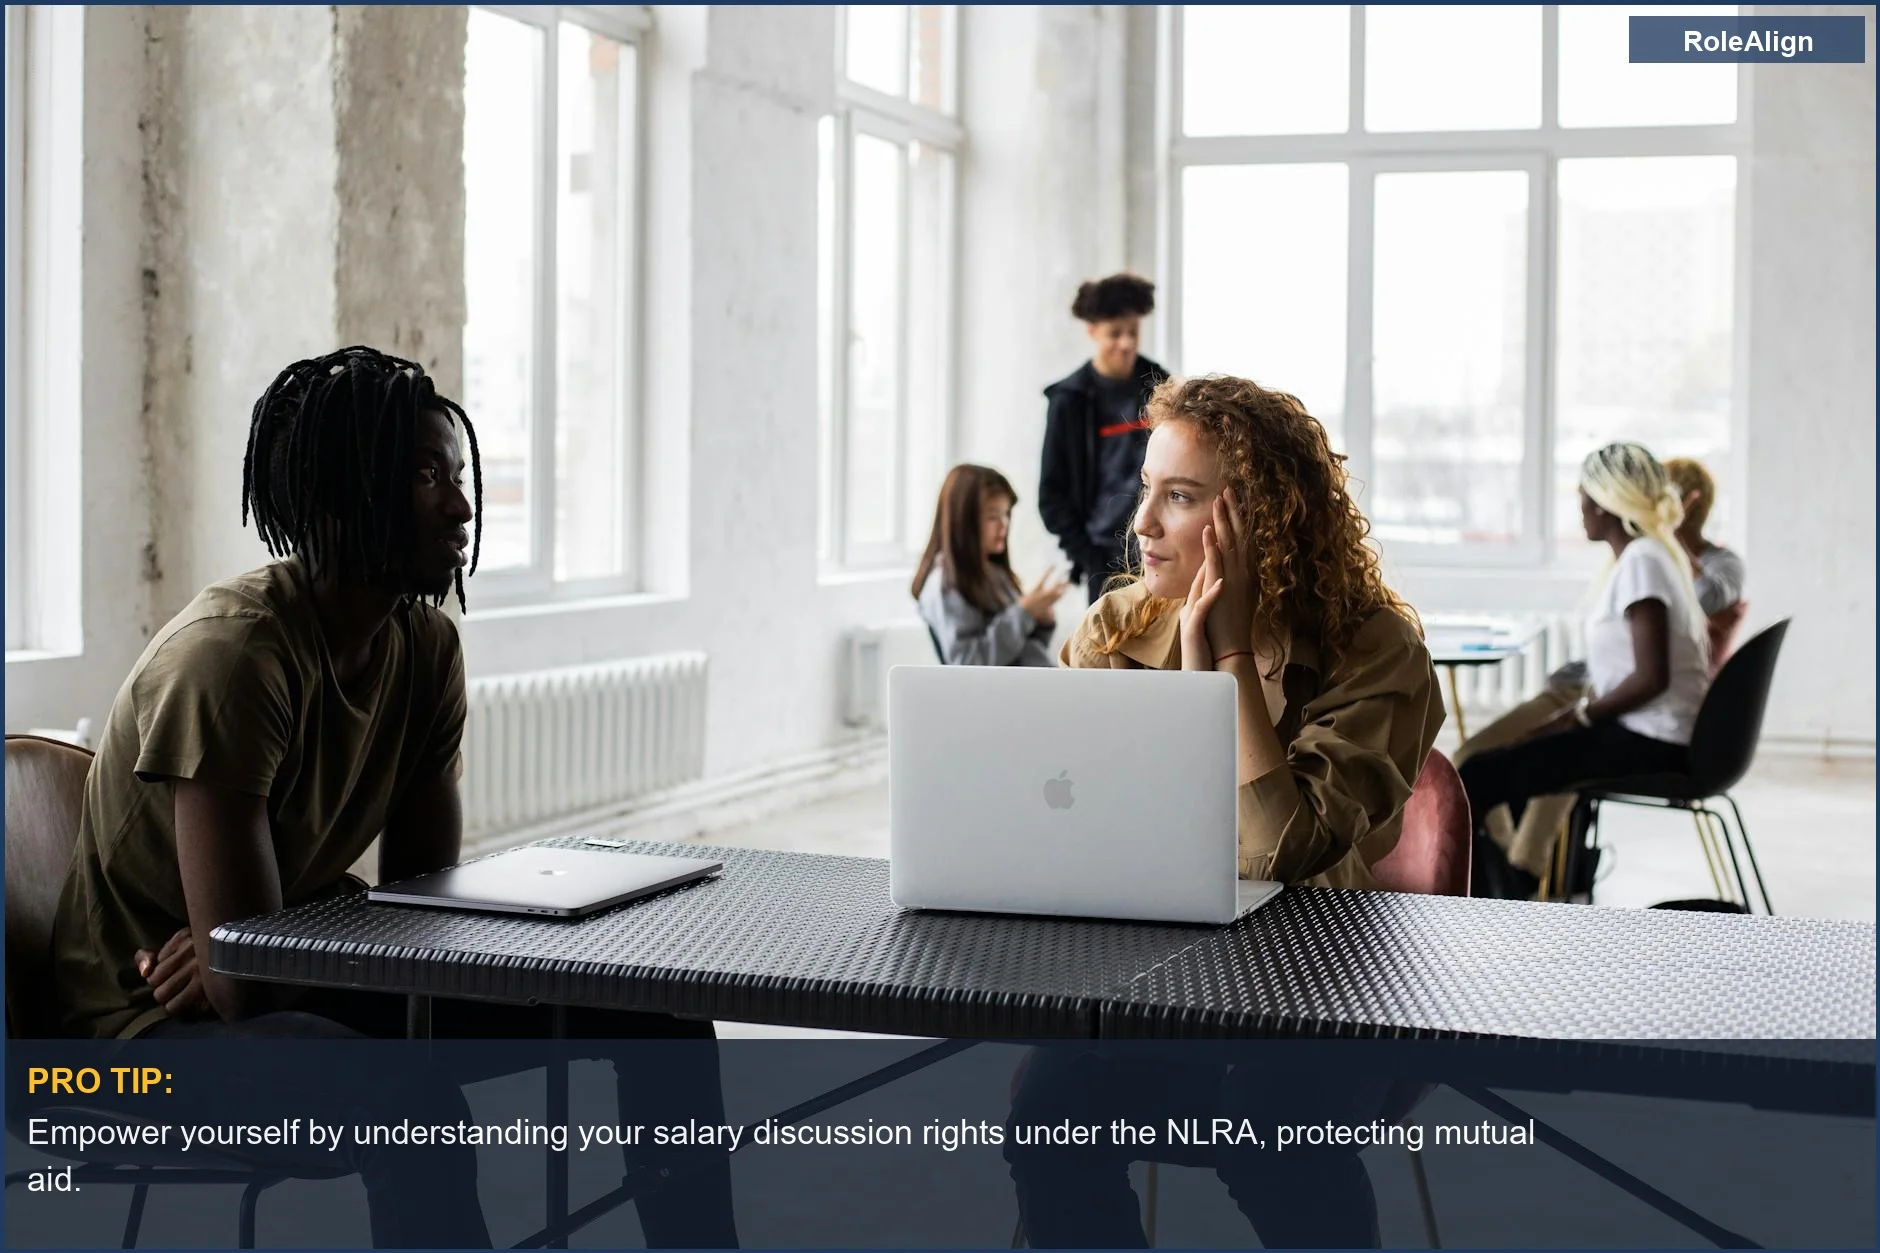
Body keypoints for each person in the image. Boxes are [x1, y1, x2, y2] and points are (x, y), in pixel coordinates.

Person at [47, 347, 738, 1248]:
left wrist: (286, 928)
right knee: (410, 1100)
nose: (461, 505)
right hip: (127, 1040)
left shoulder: (426, 650)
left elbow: (422, 920)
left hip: (286, 980)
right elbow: (245, 986)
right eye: (425, 477)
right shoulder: (233, 658)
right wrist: (275, 938)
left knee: (663, 1013)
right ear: (343, 498)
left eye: (457, 475)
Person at [1006, 375, 1444, 1248]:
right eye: (1145, 491)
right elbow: (1061, 817)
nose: (1143, 526)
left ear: (1259, 519)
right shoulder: (1117, 627)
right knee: (1046, 1107)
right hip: (1158, 971)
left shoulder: (1377, 650)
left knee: (1268, 1127)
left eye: (1180, 497)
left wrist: (1230, 655)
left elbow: (1281, 850)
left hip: (1330, 982)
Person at [1457, 443, 1712, 900]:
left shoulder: (1642, 562)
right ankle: (1511, 887)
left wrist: (1581, 718)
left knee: (1476, 776)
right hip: (1649, 734)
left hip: (1649, 742)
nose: (1579, 509)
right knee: (1496, 763)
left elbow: (1652, 677)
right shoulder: (1649, 556)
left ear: (1605, 502)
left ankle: (1500, 899)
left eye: (1583, 496)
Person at [1038, 273, 1167, 601]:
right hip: (1104, 558)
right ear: (1092, 331)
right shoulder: (1069, 400)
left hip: (1160, 544)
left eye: (1133, 332)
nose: (1126, 343)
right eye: (1115, 333)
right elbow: (1051, 497)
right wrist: (1089, 556)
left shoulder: (1161, 385)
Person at [912, 465, 1071, 666]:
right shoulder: (945, 584)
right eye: (992, 517)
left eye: (1006, 514)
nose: (1003, 524)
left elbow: (1021, 652)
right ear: (963, 519)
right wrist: (1024, 612)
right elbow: (968, 663)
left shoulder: (995, 573)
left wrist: (1042, 622)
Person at [1664, 456, 1748, 670]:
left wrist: (1673, 537)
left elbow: (1704, 600)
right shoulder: (1653, 559)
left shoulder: (1725, 562)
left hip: (1687, 679)